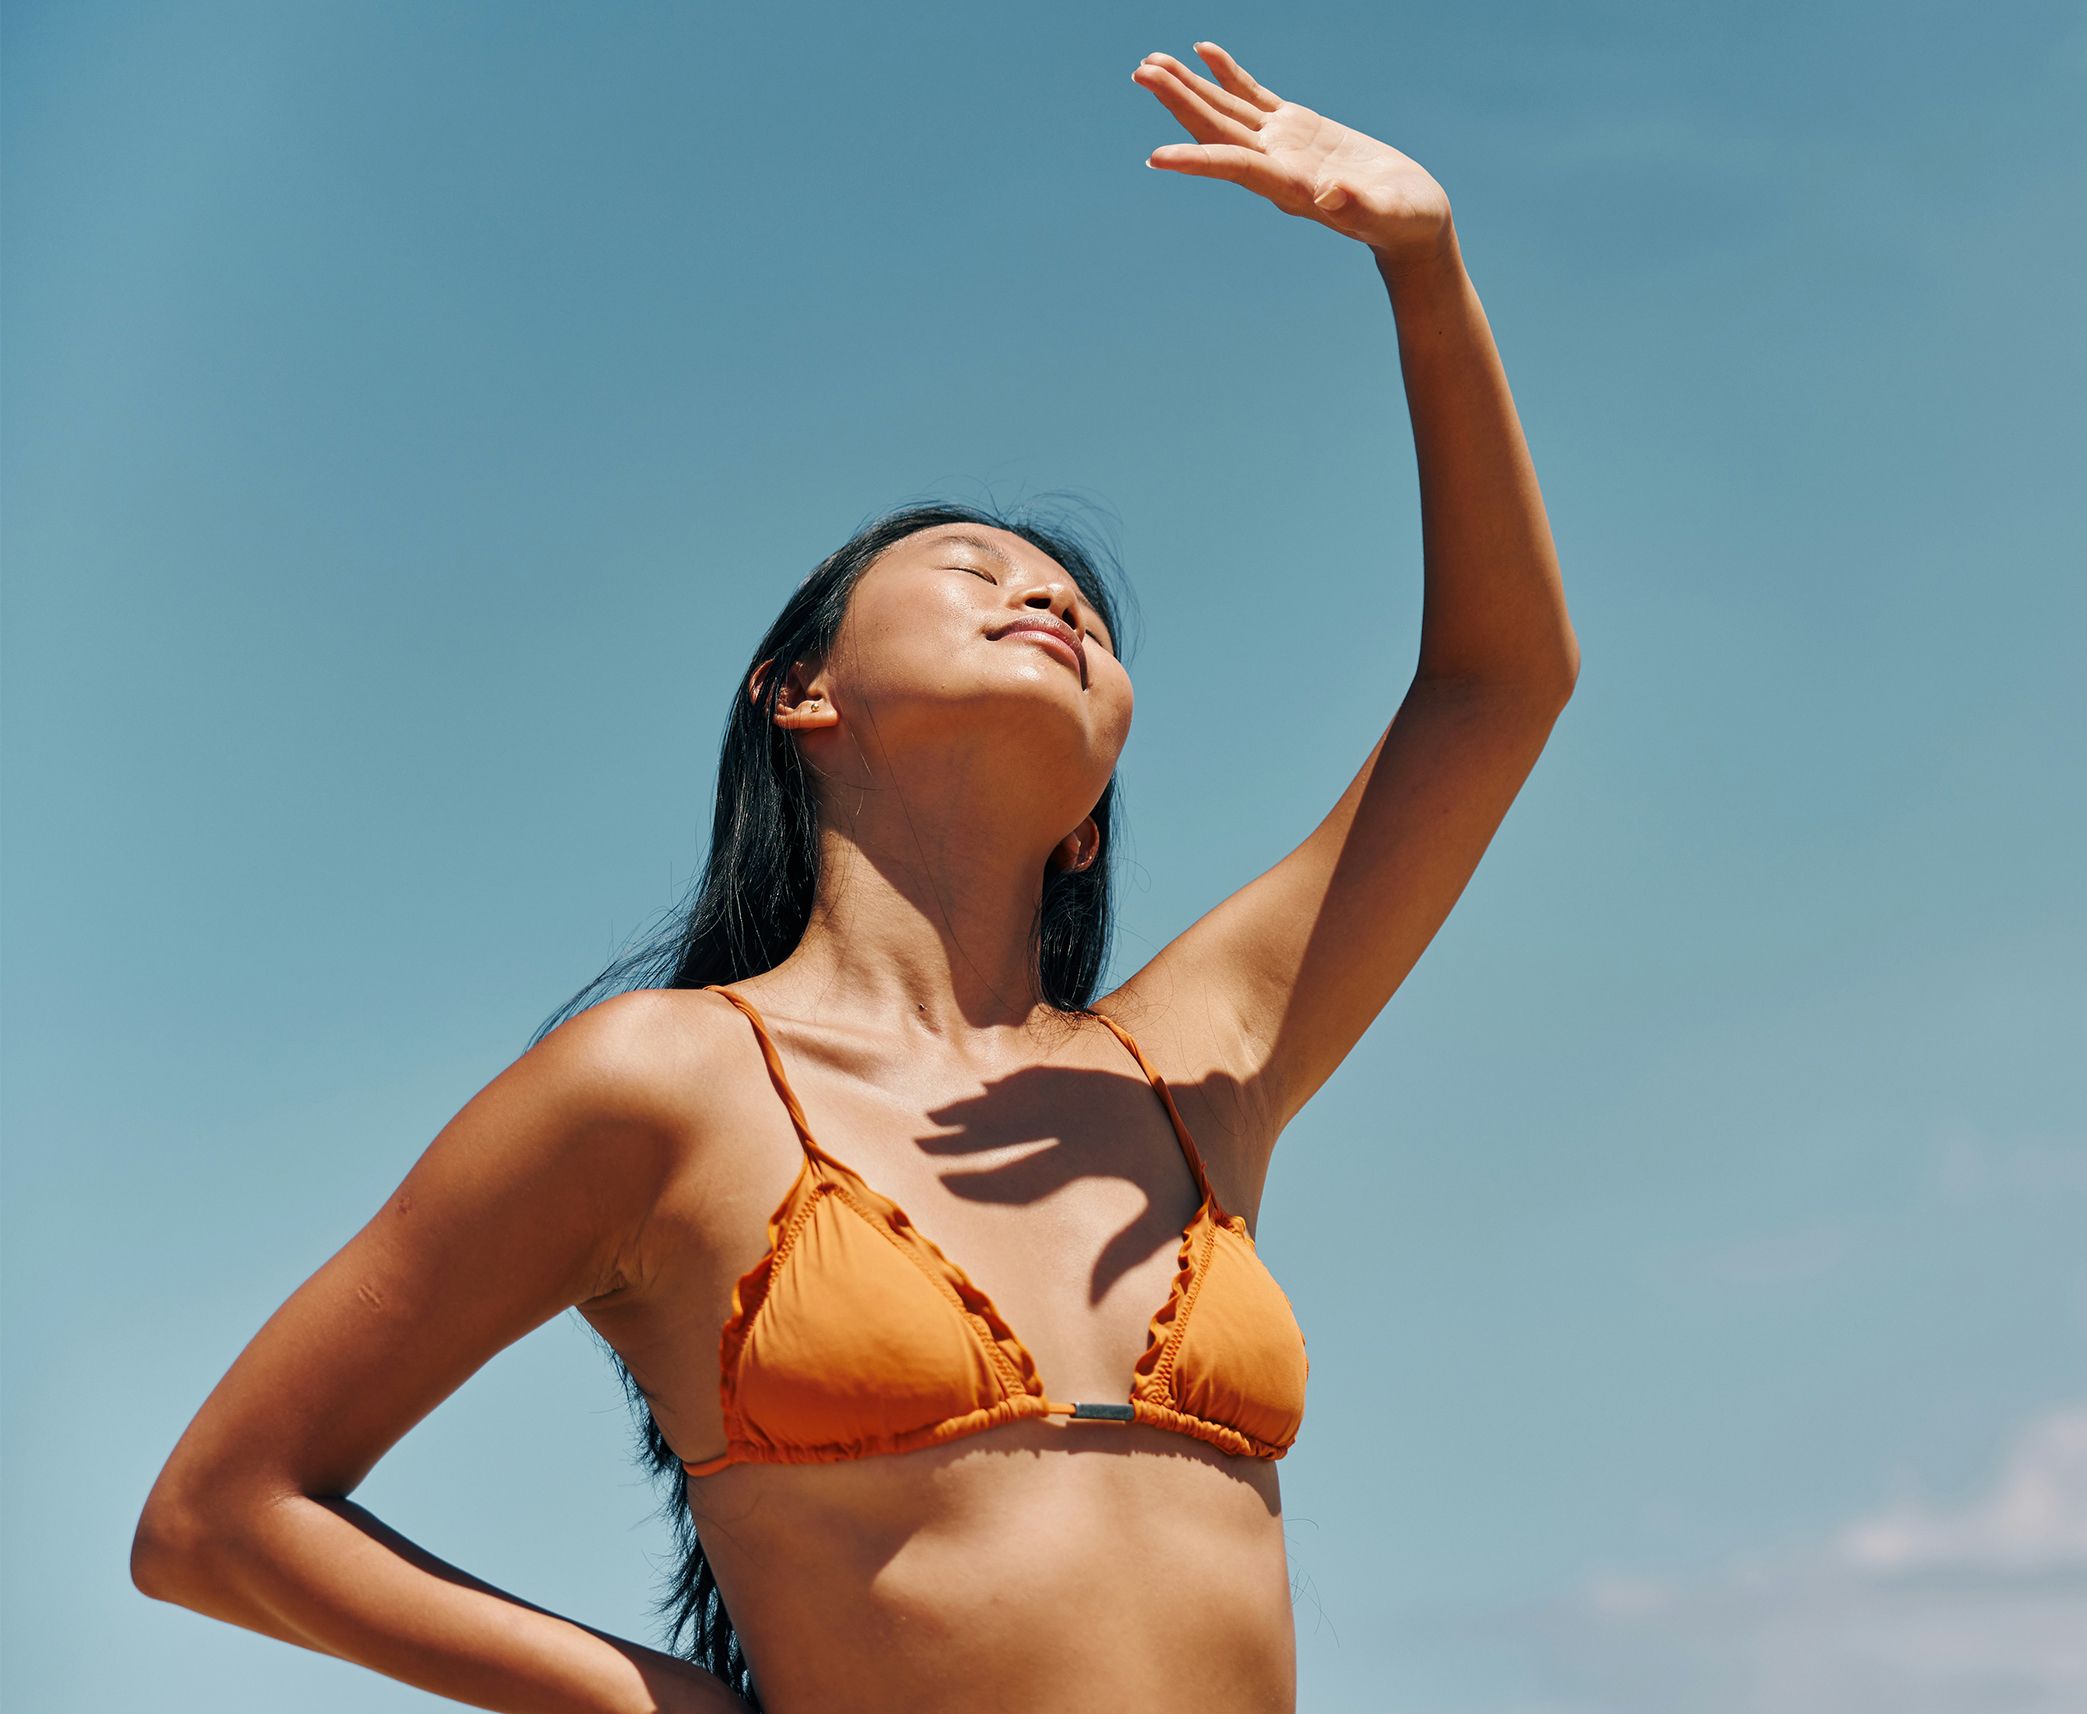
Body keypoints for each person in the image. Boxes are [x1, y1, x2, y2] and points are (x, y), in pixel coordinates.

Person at [129, 40, 1578, 1714]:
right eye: (974, 569)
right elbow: (220, 1516)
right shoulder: (657, 1084)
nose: (1048, 596)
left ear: (1092, 817)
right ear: (800, 694)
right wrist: (666, 1705)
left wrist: (1421, 266)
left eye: (1083, 611)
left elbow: (1497, 690)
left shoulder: (1191, 1068)